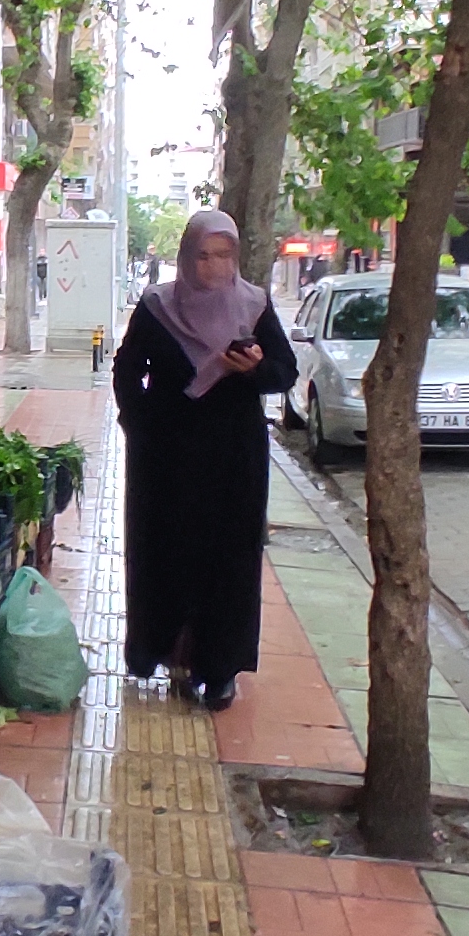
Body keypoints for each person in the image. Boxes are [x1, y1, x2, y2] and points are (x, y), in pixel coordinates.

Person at [113, 211, 297, 711]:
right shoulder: (157, 307)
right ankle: (157, 650)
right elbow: (128, 368)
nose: (214, 266)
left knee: (229, 558)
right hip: (167, 456)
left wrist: (254, 370)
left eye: (224, 254)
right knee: (164, 550)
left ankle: (218, 669)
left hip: (233, 456)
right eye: (203, 254)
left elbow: (286, 371)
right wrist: (139, 425)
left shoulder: (254, 305)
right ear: (187, 255)